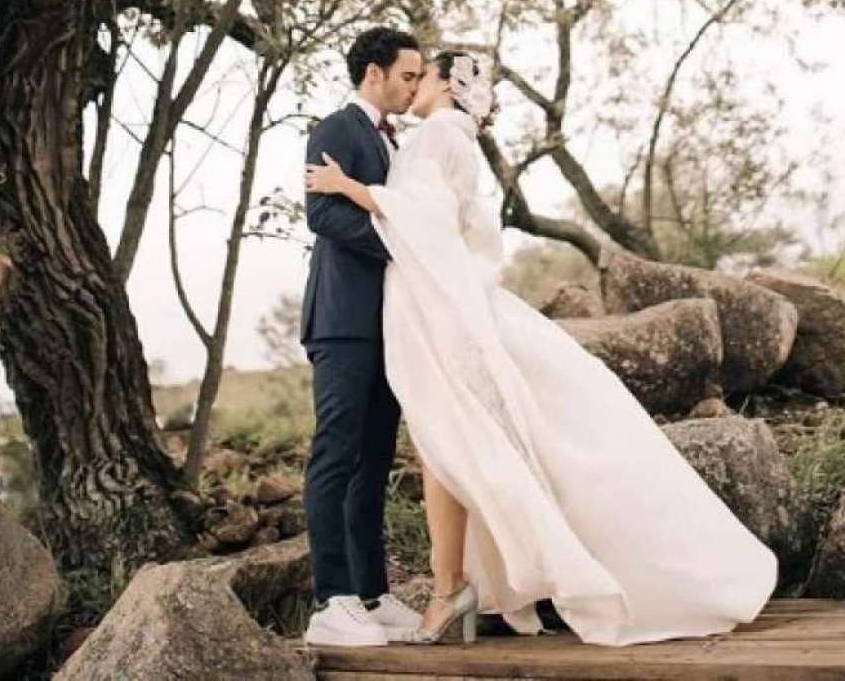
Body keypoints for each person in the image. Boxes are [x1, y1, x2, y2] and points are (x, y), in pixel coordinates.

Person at [305, 49, 779, 648]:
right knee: (448, 445)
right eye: (409, 72)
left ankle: (461, 585)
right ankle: (431, 587)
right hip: (412, 311)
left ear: (447, 85)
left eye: (422, 74)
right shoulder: (420, 134)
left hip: (436, 311)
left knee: (451, 442)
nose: (413, 83)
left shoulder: (437, 135)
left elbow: (430, 223)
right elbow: (440, 226)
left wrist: (350, 187)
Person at [300, 27, 426, 648]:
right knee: (336, 454)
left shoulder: (402, 142)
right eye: (407, 75)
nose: (413, 86)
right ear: (373, 74)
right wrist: (404, 246)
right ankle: (333, 599)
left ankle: (371, 594)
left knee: (373, 461)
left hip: (391, 326)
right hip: (344, 322)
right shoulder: (335, 129)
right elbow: (321, 213)